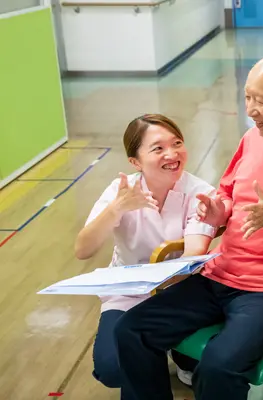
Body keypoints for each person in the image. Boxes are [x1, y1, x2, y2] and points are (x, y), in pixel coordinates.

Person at [114, 52, 263, 400]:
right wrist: (219, 212)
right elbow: (228, 194)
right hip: (219, 275)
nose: (249, 110)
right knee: (131, 330)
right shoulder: (252, 140)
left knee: (218, 366)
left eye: (259, 101)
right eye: (246, 97)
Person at [75, 114, 216, 388]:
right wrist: (116, 210)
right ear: (135, 162)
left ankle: (174, 352)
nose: (172, 154)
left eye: (177, 143)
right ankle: (151, 349)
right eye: (158, 148)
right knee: (114, 370)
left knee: (199, 365)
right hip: (129, 292)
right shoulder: (121, 191)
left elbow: (192, 257)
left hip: (180, 291)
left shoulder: (200, 193)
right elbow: (83, 250)